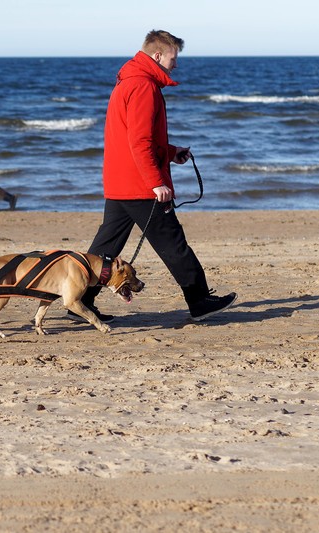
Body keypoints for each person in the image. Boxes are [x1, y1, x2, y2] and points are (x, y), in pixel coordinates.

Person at [73, 30, 236, 324]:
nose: (176, 64)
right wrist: (155, 181)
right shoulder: (142, 86)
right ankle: (199, 301)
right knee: (173, 244)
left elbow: (134, 138)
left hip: (120, 181)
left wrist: (171, 152)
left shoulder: (130, 80)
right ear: (158, 56)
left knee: (104, 249)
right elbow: (139, 142)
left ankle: (81, 301)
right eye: (174, 58)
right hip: (139, 185)